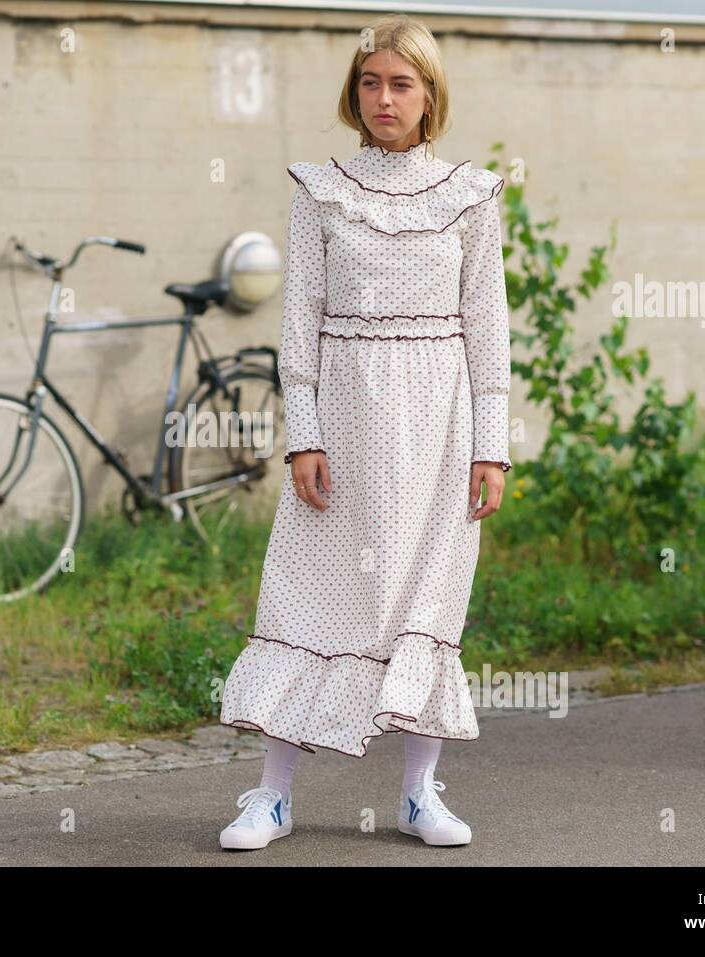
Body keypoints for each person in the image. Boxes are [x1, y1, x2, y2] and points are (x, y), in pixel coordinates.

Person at [217, 13, 513, 851]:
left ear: (429, 95)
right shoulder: (319, 189)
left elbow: (487, 327)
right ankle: (271, 795)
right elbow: (299, 321)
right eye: (370, 82)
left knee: (426, 605)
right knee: (304, 594)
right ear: (354, 94)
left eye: (401, 84)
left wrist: (491, 445)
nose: (384, 98)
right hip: (343, 427)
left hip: (441, 432)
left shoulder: (472, 195)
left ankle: (420, 792)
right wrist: (302, 434)